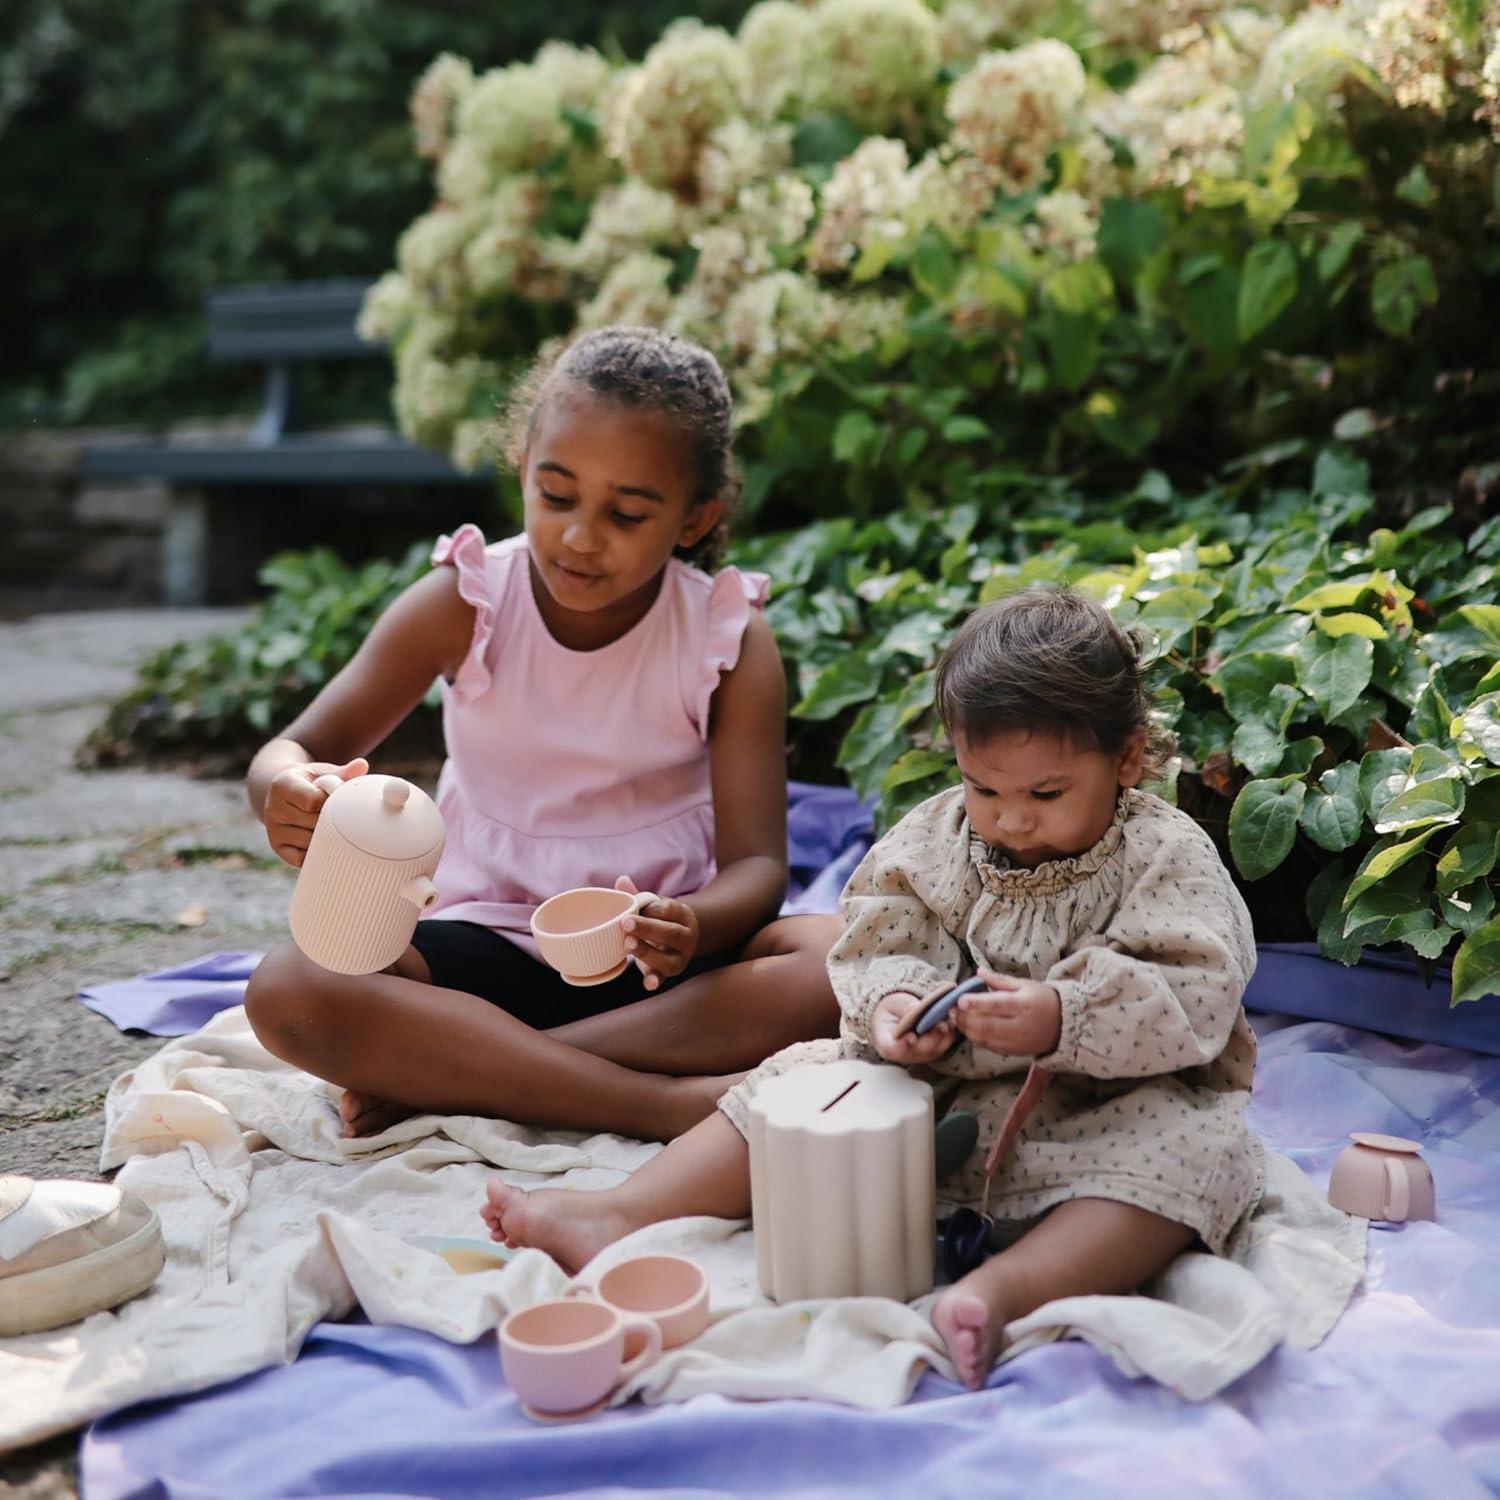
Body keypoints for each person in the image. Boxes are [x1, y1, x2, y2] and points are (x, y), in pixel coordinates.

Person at [481, 588, 1264, 1391]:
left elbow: (1196, 987)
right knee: (795, 1082)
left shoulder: (1163, 856)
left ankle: (1003, 1291)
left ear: (1126, 759)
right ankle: (621, 1212)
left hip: (1110, 1106)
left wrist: (1062, 1014)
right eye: (983, 789)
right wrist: (896, 1008)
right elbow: (877, 931)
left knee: (1197, 1157)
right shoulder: (938, 839)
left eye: (1045, 795)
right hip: (940, 1094)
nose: (1011, 821)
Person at [244, 326, 842, 1142]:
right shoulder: (467, 600)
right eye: (556, 496)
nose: (581, 536)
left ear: (695, 519)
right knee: (291, 988)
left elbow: (756, 867)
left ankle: (481, 1075)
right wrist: (285, 787)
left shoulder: (725, 638)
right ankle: (655, 1104)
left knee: (835, 963)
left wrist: (694, 925)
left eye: (627, 513)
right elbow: (296, 747)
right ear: (523, 467)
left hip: (657, 966)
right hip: (473, 946)